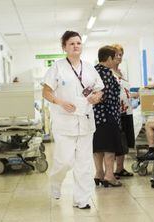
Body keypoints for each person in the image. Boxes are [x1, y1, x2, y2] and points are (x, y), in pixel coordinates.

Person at [42, 31, 104, 209]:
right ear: (64, 47)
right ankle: (55, 183)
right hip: (64, 121)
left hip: (85, 121)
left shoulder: (90, 67)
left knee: (84, 163)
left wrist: (96, 97)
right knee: (64, 161)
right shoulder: (57, 67)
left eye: (78, 43)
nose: (76, 46)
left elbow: (99, 89)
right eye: (71, 43)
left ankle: (81, 199)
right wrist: (60, 102)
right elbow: (46, 92)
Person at [93, 46, 123, 187]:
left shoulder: (92, 71)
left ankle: (99, 173)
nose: (116, 60)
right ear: (109, 58)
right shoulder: (106, 74)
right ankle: (109, 175)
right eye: (115, 57)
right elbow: (106, 96)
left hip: (95, 117)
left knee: (98, 147)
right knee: (109, 148)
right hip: (108, 115)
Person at [110, 44, 135, 178]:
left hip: (126, 110)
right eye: (116, 54)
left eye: (121, 54)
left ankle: (120, 168)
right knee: (116, 141)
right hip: (116, 111)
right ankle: (112, 170)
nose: (119, 57)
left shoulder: (122, 72)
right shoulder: (109, 72)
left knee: (124, 141)